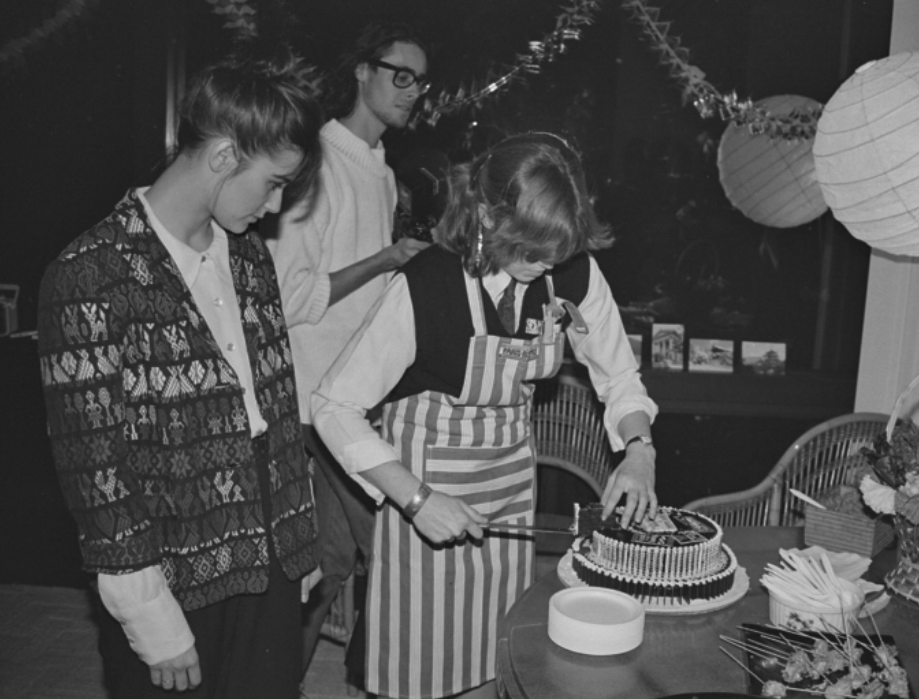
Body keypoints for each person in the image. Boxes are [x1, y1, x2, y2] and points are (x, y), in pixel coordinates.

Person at [311, 132, 660, 699]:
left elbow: (618, 375)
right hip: (423, 480)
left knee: (499, 657)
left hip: (508, 481)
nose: (546, 265)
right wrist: (416, 500)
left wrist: (639, 451)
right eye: (532, 251)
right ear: (486, 217)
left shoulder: (571, 273)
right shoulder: (426, 286)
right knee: (417, 664)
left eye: (557, 253)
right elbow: (333, 405)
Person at [37, 50, 324, 699]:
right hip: (171, 581)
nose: (276, 206)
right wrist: (150, 615)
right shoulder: (89, 274)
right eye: (275, 181)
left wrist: (298, 549)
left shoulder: (250, 258)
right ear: (224, 155)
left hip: (270, 557)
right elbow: (96, 474)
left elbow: (275, 410)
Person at [265, 20, 431, 669]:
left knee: (327, 567)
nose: (413, 90)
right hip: (309, 403)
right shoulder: (319, 160)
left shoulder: (383, 172)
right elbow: (286, 296)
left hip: (351, 402)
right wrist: (387, 258)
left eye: (420, 81)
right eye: (401, 74)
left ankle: (278, 681)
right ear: (362, 70)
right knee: (395, 552)